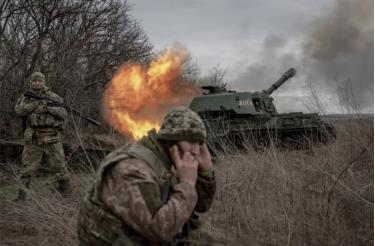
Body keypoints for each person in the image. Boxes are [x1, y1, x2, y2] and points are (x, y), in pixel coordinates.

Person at [77, 106, 216, 245]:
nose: (197, 151)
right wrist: (186, 185)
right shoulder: (131, 169)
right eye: (191, 142)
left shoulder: (169, 161)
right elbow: (159, 231)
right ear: (171, 141)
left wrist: (206, 171)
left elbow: (200, 206)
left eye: (199, 143)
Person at [14, 72, 70, 200]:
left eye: (40, 81)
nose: (37, 82)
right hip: (33, 138)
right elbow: (19, 111)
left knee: (59, 166)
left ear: (44, 82)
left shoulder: (53, 97)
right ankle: (21, 197)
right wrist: (35, 104)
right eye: (35, 80)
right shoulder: (25, 97)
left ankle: (66, 195)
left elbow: (63, 113)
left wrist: (47, 108)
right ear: (31, 82)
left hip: (52, 137)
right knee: (27, 168)